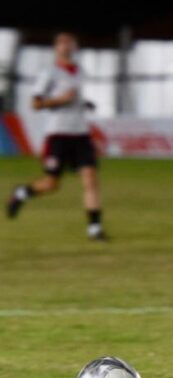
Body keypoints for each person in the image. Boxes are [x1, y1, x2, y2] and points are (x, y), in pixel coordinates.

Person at [7, 32, 107, 241]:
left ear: (75, 47)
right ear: (56, 48)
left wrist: (84, 103)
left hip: (80, 134)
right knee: (52, 184)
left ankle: (94, 229)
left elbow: (75, 98)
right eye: (62, 43)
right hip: (58, 135)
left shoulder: (81, 71)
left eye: (70, 42)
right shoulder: (49, 73)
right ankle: (21, 194)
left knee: (90, 180)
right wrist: (60, 100)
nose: (66, 46)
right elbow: (35, 104)